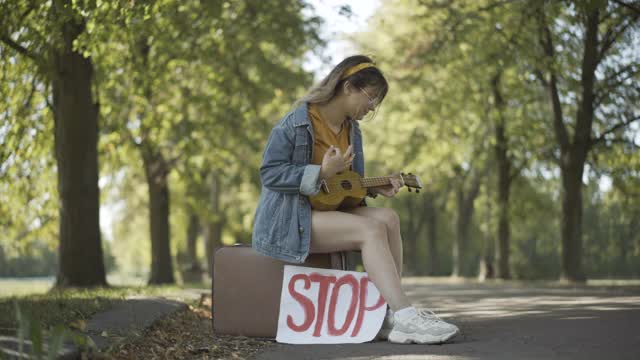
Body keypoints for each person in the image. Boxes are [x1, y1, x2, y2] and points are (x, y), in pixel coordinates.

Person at [252, 55, 459, 344]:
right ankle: (406, 316)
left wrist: (372, 188)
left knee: (388, 218)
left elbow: (342, 186)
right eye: (371, 97)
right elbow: (270, 174)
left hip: (326, 214)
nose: (373, 106)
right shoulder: (296, 123)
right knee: (370, 230)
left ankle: (388, 315)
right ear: (348, 87)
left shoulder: (352, 130)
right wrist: (320, 171)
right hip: (292, 220)